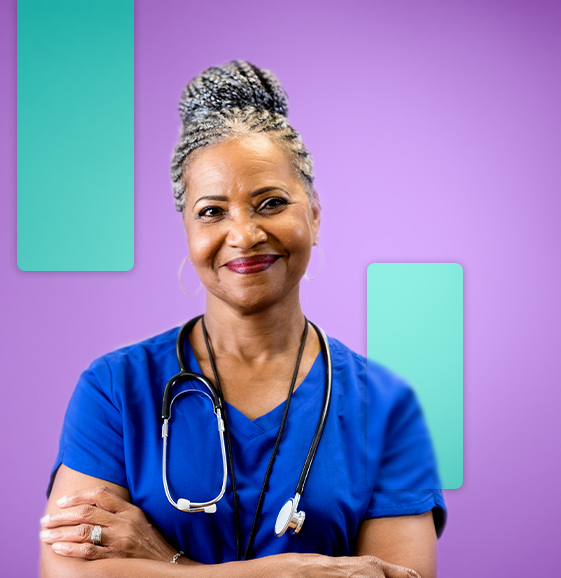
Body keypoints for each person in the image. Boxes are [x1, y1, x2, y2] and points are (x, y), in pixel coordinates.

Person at [39, 60, 446, 578]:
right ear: (187, 229)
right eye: (212, 211)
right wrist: (290, 572)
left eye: (271, 203)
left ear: (314, 214)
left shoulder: (385, 409)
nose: (245, 234)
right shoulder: (116, 389)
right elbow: (70, 574)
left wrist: (166, 562)